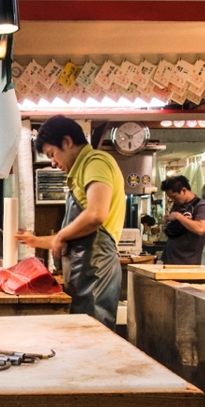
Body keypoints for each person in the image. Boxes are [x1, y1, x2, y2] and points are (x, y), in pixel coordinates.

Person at [16, 115, 126, 329]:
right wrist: (35, 240)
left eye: (52, 154)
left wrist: (61, 236)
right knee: (84, 338)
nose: (53, 163)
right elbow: (74, 236)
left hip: (96, 273)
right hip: (85, 275)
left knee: (96, 338)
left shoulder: (95, 162)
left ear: (67, 142)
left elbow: (96, 215)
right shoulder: (80, 174)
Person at [160, 175, 205, 265]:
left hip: (187, 262)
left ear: (183, 190)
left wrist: (178, 217)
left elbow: (201, 229)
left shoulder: (201, 205)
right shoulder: (178, 204)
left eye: (174, 197)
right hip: (169, 259)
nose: (173, 200)